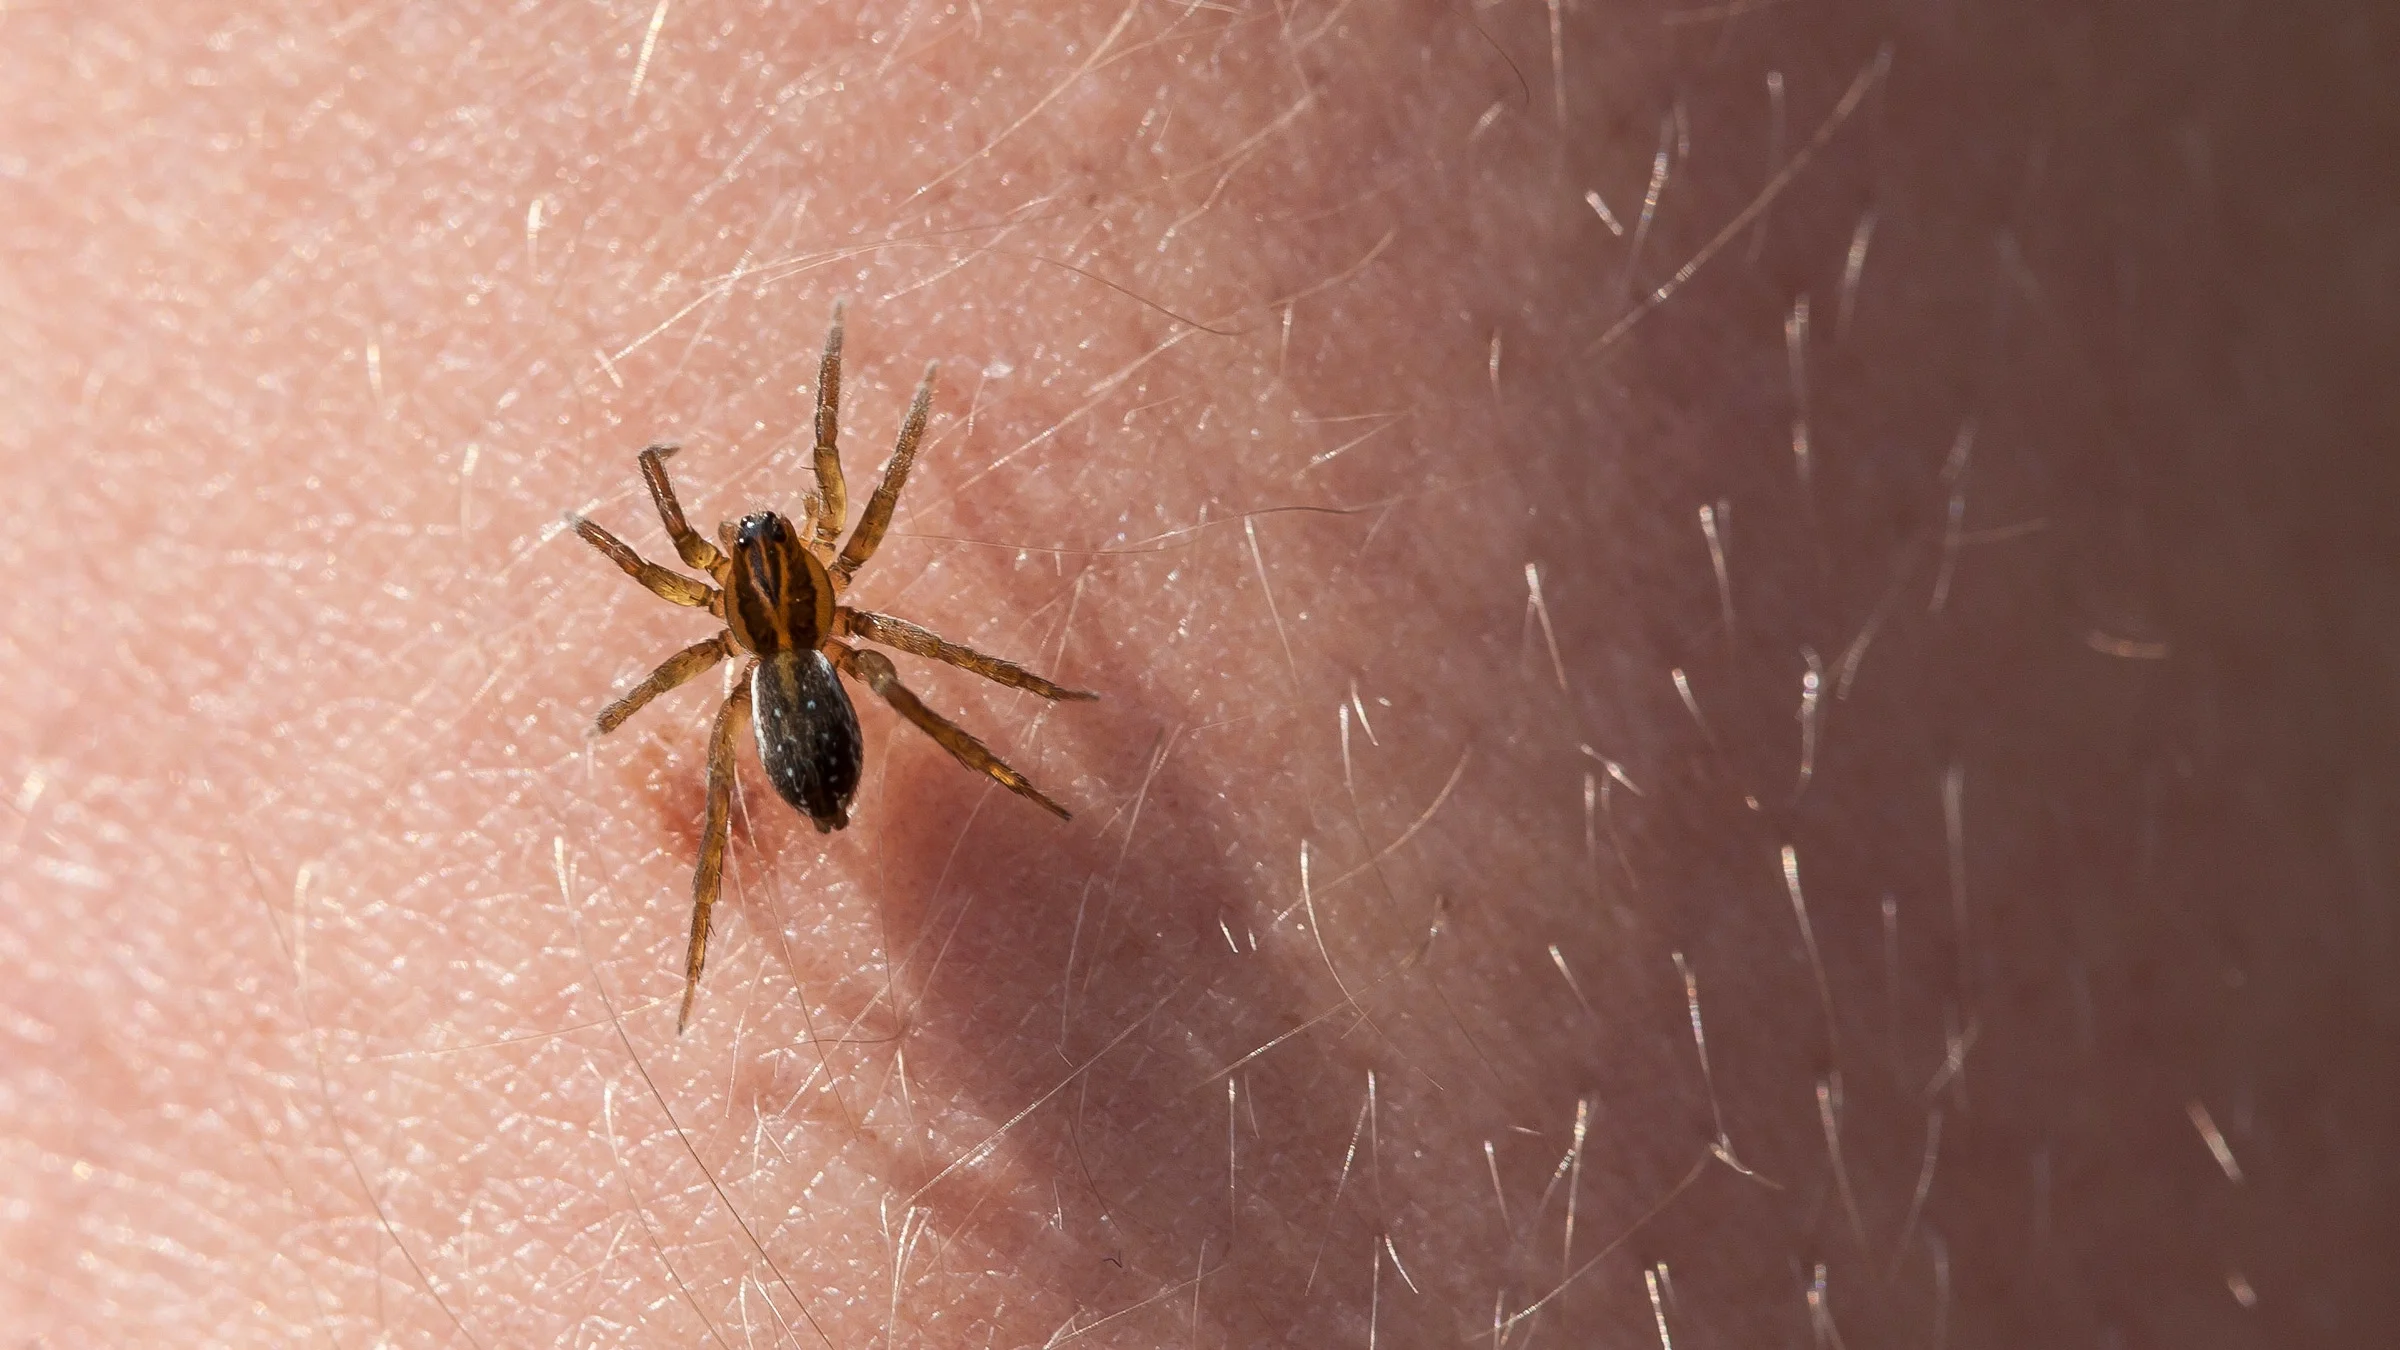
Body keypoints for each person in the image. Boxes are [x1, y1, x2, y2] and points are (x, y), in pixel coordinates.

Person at [4, 1, 2391, 1343]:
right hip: (835, 751)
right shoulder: (821, 619)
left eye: (765, 549)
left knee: (846, 745)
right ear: (774, 584)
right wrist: (875, 521)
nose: (766, 555)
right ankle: (857, 873)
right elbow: (850, 627)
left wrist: (810, 570)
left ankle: (868, 865)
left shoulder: (757, 642)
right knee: (889, 727)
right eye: (758, 556)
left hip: (818, 756)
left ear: (766, 587)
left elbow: (732, 633)